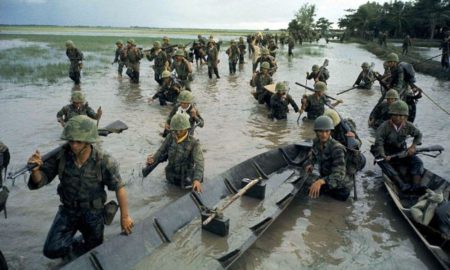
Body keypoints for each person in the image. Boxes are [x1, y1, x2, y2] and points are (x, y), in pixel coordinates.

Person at [27, 115, 134, 260]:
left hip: (93, 213)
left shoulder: (103, 160)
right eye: (71, 141)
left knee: (95, 251)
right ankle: (76, 248)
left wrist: (125, 217)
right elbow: (41, 180)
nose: (74, 145)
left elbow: (119, 188)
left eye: (78, 141)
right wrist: (35, 171)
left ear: (88, 141)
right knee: (51, 250)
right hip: (68, 211)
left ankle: (81, 248)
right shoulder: (61, 156)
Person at [372, 100, 424, 192]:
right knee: (384, 163)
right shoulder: (384, 127)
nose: (399, 118)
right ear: (391, 115)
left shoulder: (408, 126)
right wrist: (383, 155)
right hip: (385, 151)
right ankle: (401, 184)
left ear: (405, 116)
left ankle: (416, 185)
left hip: (400, 152)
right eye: (396, 115)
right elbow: (379, 143)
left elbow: (418, 135)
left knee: (418, 162)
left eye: (401, 115)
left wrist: (413, 146)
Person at [147, 113, 204, 192]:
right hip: (171, 176)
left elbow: (200, 163)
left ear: (186, 128)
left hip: (185, 179)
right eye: (175, 130)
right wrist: (153, 158)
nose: (177, 132)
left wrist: (197, 179)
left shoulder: (194, 143)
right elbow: (161, 151)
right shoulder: (170, 137)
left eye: (181, 130)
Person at [304, 116, 351, 201]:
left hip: (338, 184)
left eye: (327, 131)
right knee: (308, 192)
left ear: (330, 132)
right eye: (320, 131)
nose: (324, 134)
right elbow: (313, 154)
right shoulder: (316, 142)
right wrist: (310, 163)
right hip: (325, 178)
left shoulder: (337, 148)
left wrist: (320, 181)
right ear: (316, 132)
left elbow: (339, 175)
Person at [323, 109, 365, 178]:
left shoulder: (346, 127)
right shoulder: (326, 129)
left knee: (347, 173)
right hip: (336, 152)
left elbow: (359, 143)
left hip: (348, 155)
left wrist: (353, 138)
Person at [386, 52, 422, 122]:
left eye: (391, 62)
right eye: (388, 62)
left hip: (403, 88)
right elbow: (393, 79)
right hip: (398, 86)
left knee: (396, 100)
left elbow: (400, 82)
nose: (389, 63)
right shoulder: (392, 68)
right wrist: (389, 85)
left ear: (395, 62)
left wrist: (394, 91)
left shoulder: (400, 69)